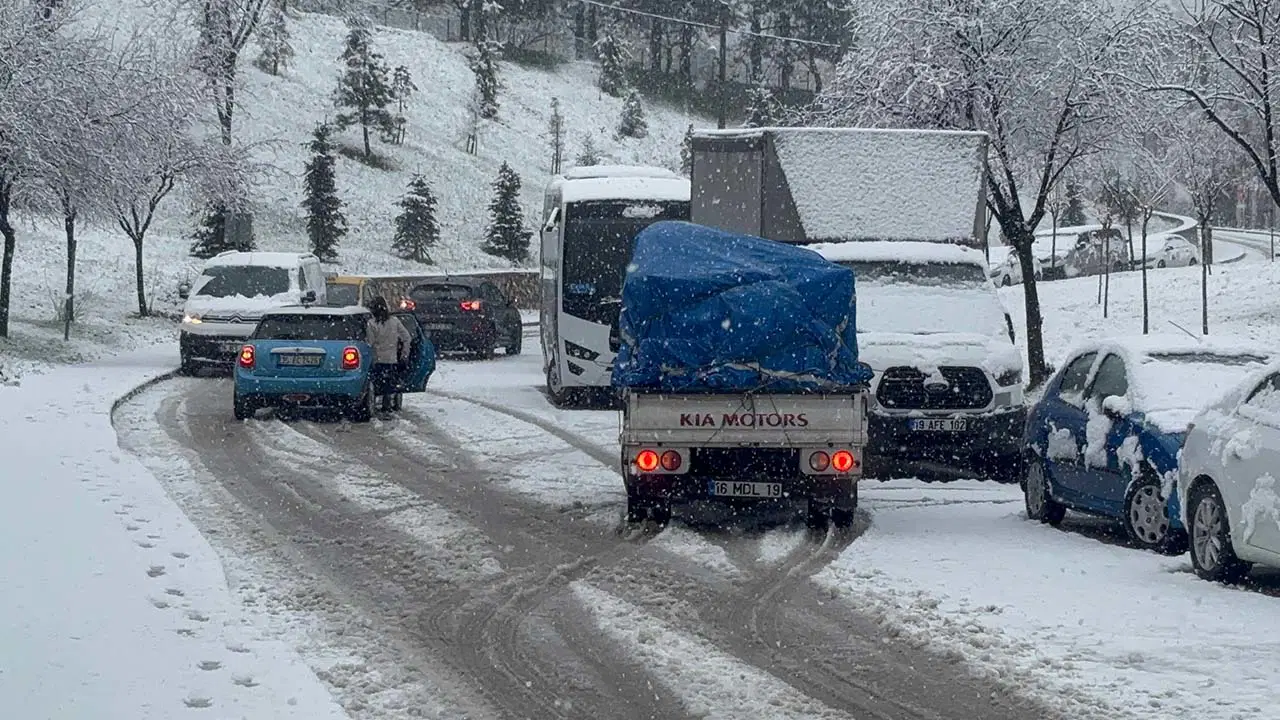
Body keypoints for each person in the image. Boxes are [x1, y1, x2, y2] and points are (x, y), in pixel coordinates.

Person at [365, 296, 412, 413]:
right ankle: (387, 406)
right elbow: (407, 337)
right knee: (389, 384)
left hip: (377, 359)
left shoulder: (371, 324)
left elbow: (369, 343)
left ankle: (375, 404)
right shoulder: (394, 321)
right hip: (391, 359)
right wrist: (404, 354)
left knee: (377, 383)